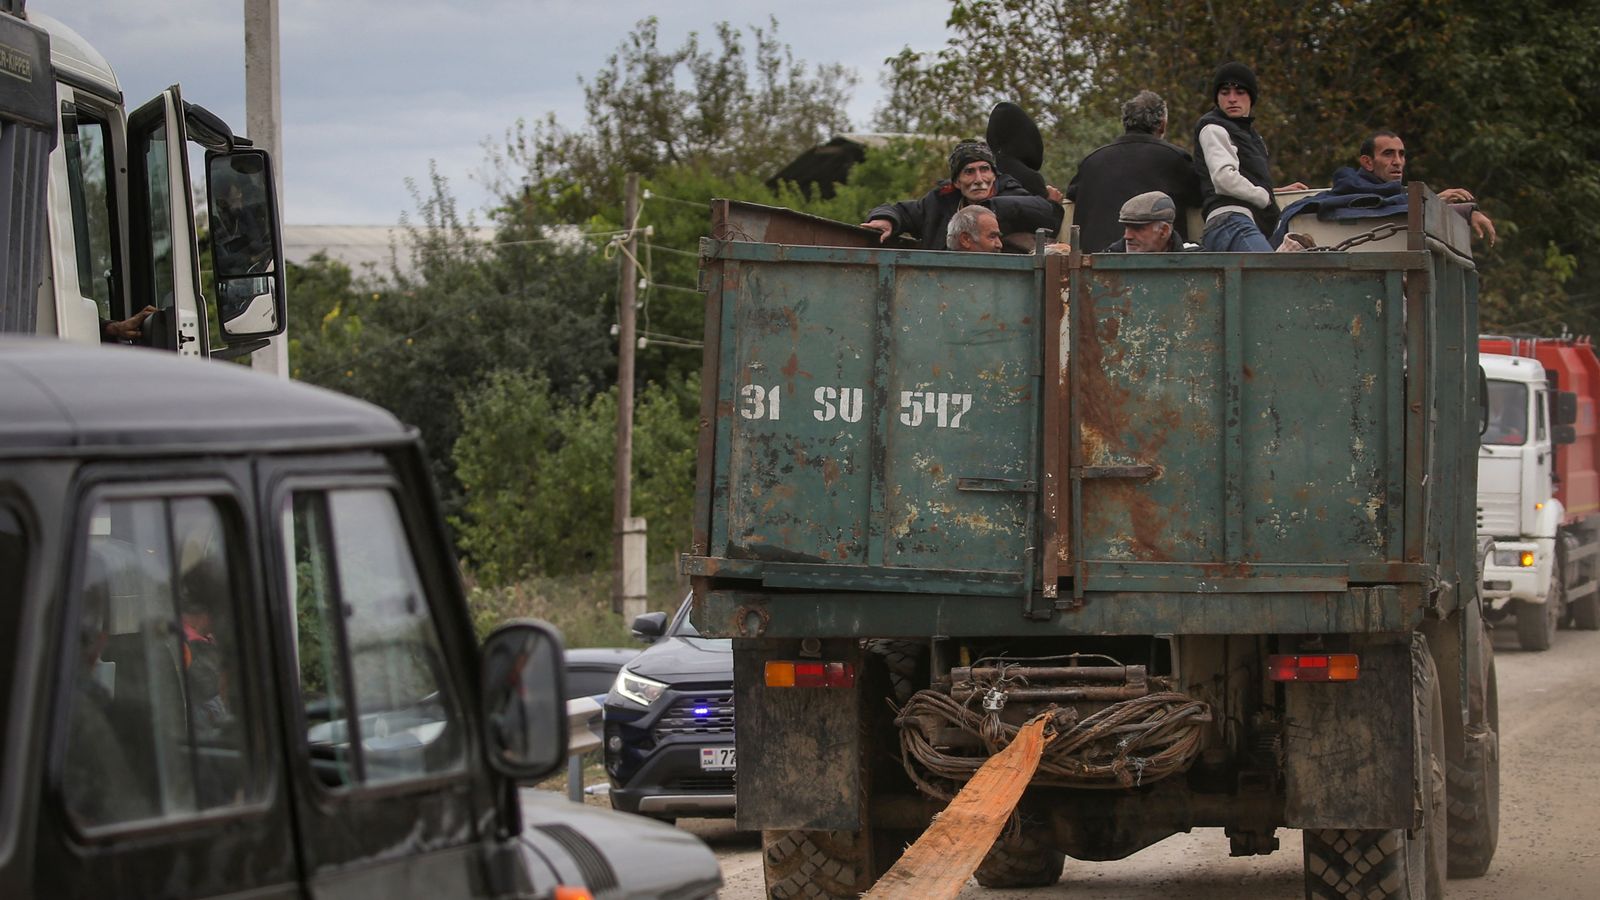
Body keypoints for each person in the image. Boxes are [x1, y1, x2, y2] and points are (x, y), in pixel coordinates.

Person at [1066, 91, 1203, 253]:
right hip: (1157, 266)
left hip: (1094, 264)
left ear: (1125, 123)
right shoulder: (1175, 159)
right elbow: (1199, 198)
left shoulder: (1091, 162)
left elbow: (1071, 196)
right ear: (1162, 124)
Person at [861, 140, 1060, 251]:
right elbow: (901, 211)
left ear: (994, 175)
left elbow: (1049, 213)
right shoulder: (939, 203)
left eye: (985, 169)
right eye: (969, 171)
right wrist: (886, 220)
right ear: (956, 182)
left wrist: (990, 209)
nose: (979, 179)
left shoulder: (1014, 196)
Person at [1192, 62, 1306, 252]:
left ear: (1251, 97)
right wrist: (1264, 196)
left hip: (1247, 223)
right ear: (1217, 98)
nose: (1232, 99)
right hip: (1229, 221)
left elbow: (1242, 176)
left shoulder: (1250, 135)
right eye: (1225, 92)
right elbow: (1223, 179)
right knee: (1270, 275)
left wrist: (1273, 191)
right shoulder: (1213, 128)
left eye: (1240, 92)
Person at [1099, 192, 1199, 253]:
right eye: (1126, 227)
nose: (1127, 236)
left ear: (1164, 231)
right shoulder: (1109, 259)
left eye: (1137, 228)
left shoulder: (1197, 260)